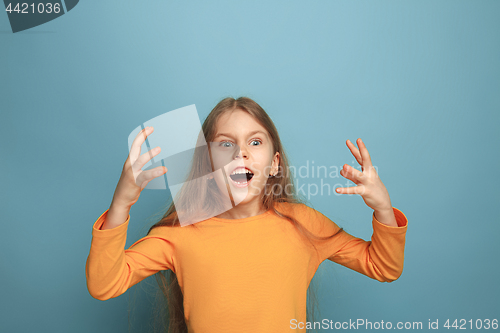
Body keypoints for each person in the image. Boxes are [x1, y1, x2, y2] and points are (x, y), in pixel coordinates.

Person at [85, 96, 408, 333]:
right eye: (225, 145)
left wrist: (382, 207)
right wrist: (121, 205)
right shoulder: (179, 235)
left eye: (255, 142)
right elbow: (104, 284)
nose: (241, 152)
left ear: (275, 163)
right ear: (208, 163)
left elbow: (384, 266)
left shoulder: (303, 224)